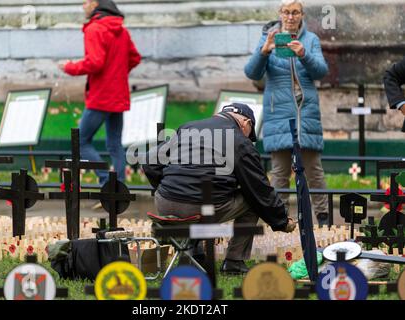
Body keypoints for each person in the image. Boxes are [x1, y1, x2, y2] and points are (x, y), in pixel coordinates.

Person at [142, 103, 296, 274]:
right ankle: (234, 262)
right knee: (251, 201)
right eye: (249, 133)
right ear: (245, 123)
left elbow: (150, 162)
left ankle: (195, 254)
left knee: (206, 194)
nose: (248, 138)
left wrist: (166, 187)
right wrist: (281, 220)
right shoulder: (240, 140)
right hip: (200, 208)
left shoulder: (188, 127)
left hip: (164, 202)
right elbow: (259, 189)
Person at [244, 0, 330, 226]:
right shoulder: (269, 37)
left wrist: (304, 55)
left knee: (314, 172)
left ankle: (323, 220)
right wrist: (264, 51)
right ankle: (280, 222)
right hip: (278, 113)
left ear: (301, 15)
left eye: (295, 12)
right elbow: (251, 73)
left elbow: (321, 71)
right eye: (286, 12)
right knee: (280, 173)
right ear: (280, 14)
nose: (290, 17)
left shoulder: (310, 40)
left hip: (306, 112)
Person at [60, 0, 141, 186]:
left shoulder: (94, 29)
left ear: (95, 3)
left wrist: (69, 67)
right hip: (118, 94)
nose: (83, 6)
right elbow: (134, 58)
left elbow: (95, 62)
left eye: (85, 2)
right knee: (114, 144)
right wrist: (117, 74)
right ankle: (118, 189)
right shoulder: (121, 30)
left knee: (80, 141)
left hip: (101, 97)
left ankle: (107, 183)